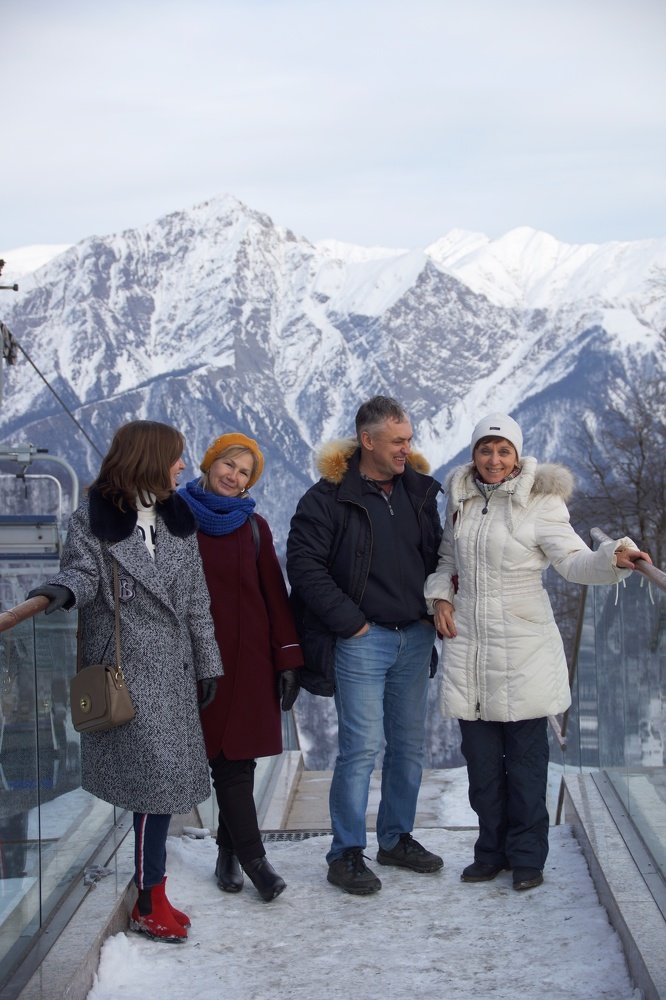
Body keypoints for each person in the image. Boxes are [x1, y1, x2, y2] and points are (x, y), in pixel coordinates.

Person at [424, 412, 652, 892]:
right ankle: (490, 852)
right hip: (472, 651)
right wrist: (440, 594)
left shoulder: (541, 503)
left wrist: (613, 556)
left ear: (517, 456)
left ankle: (527, 857)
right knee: (483, 770)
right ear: (474, 453)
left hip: (524, 651)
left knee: (526, 767)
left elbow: (572, 560)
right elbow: (448, 558)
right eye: (486, 449)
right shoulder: (461, 500)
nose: (494, 459)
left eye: (503, 451)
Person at [27, 420, 223, 943]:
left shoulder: (178, 520)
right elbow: (83, 574)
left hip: (175, 675)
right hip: (127, 676)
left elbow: (197, 601)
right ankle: (146, 899)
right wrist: (57, 592)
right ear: (150, 459)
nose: (184, 465)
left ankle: (155, 892)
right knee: (152, 791)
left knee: (159, 794)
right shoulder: (94, 522)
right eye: (176, 456)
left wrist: (208, 664)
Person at [287, 395, 443, 895]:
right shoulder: (325, 499)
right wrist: (350, 624)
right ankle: (346, 853)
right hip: (363, 639)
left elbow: (440, 556)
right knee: (360, 749)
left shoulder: (419, 492)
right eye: (398, 440)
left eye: (409, 439)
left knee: (408, 748)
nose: (407, 448)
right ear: (368, 441)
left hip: (415, 637)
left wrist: (437, 605)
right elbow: (304, 567)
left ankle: (395, 839)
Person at [179, 432, 303, 903]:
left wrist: (288, 657)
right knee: (223, 761)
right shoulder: (176, 520)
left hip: (250, 660)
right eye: (228, 465)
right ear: (210, 464)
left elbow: (274, 594)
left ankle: (231, 854)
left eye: (244, 472)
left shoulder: (255, 527)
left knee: (239, 759)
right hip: (197, 660)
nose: (233, 476)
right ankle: (255, 860)